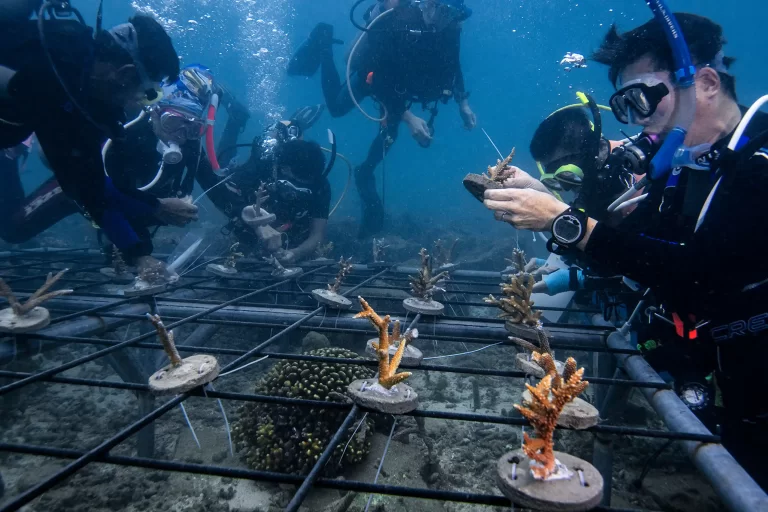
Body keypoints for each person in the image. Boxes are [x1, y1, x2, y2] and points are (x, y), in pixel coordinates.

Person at [482, 13, 768, 488]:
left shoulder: (758, 165)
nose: (638, 125)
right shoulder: (687, 168)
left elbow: (700, 273)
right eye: (624, 109)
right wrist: (553, 207)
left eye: (642, 100)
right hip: (727, 378)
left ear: (707, 82)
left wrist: (560, 219)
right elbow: (635, 255)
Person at [0, 10, 196, 280]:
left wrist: (139, 254)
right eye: (146, 92)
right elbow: (86, 184)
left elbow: (90, 189)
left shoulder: (80, 98)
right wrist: (156, 207)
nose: (138, 103)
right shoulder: (49, 68)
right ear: (124, 74)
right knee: (14, 227)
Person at [288, 0, 476, 238]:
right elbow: (376, 75)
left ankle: (365, 173)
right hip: (375, 77)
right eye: (441, 10)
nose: (445, 19)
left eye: (452, 14)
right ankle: (324, 48)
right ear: (428, 4)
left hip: (401, 87)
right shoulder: (397, 21)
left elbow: (454, 66)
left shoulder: (450, 30)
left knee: (389, 135)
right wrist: (408, 117)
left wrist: (463, 103)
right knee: (336, 107)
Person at [196, 115, 331, 265]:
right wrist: (258, 225)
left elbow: (317, 234)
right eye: (300, 182)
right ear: (285, 170)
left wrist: (296, 253)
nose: (305, 188)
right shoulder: (257, 169)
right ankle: (236, 118)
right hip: (251, 224)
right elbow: (224, 197)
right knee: (221, 168)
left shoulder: (320, 184)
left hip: (290, 232)